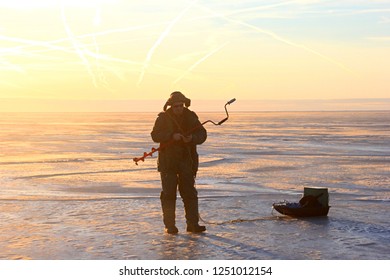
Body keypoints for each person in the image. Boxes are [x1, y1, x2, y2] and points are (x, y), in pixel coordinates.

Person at [151, 91, 207, 234]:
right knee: (169, 194)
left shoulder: (191, 116)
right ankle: (170, 226)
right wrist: (171, 136)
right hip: (168, 163)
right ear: (170, 106)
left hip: (187, 162)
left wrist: (192, 138)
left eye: (181, 105)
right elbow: (155, 135)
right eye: (176, 106)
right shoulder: (163, 118)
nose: (178, 108)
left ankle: (193, 224)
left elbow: (202, 134)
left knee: (189, 193)